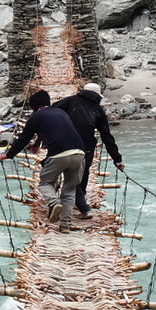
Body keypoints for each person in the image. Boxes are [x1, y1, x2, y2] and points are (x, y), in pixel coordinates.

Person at [0, 90, 86, 232]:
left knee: (45, 182)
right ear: (48, 102)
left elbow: (24, 138)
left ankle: (54, 203)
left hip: (59, 154)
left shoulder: (36, 116)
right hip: (79, 152)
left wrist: (9, 154)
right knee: (70, 189)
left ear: (33, 107)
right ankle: (65, 225)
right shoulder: (62, 112)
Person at [54, 82, 125, 219]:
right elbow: (107, 137)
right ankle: (82, 203)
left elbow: (51, 110)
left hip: (65, 145)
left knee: (72, 176)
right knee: (83, 172)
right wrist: (117, 159)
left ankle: (83, 207)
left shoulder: (70, 101)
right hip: (87, 147)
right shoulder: (98, 110)